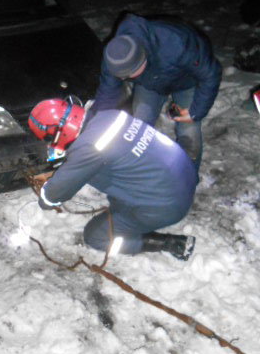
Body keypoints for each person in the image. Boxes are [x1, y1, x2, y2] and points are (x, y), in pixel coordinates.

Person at [29, 98, 197, 259]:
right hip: (184, 175)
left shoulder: (89, 147)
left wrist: (44, 198)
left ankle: (169, 243)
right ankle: (132, 220)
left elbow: (54, 194)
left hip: (167, 205)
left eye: (49, 140)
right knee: (114, 184)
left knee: (95, 236)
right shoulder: (109, 116)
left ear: (60, 132)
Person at [89, 13, 222, 172]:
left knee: (189, 133)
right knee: (137, 125)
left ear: (142, 58)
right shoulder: (114, 59)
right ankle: (139, 172)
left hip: (186, 82)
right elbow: (107, 93)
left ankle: (188, 178)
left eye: (128, 75)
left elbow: (210, 73)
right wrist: (94, 126)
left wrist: (196, 112)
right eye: (121, 76)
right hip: (149, 85)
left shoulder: (177, 43)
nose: (124, 78)